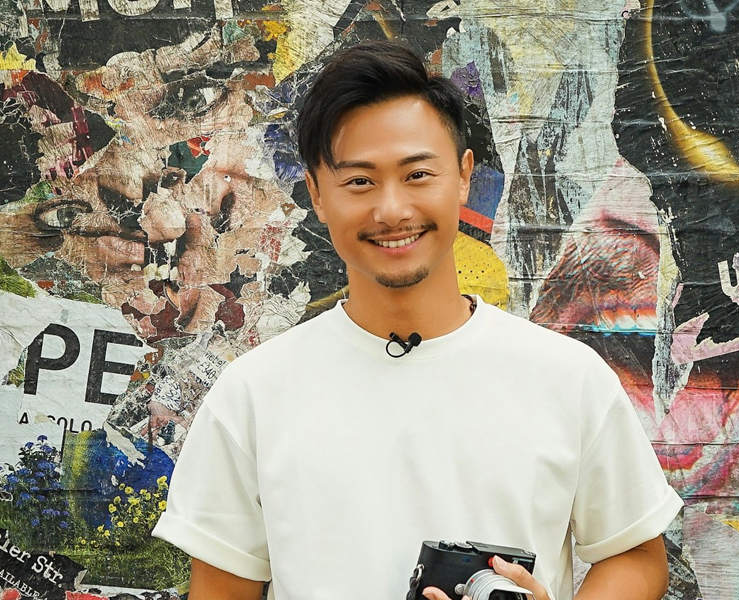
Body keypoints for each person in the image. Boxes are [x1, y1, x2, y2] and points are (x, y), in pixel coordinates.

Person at [152, 40, 684, 600]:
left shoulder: (568, 377)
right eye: (359, 181)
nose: (392, 210)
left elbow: (634, 557)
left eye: (417, 174)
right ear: (317, 194)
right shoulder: (252, 395)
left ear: (463, 176)